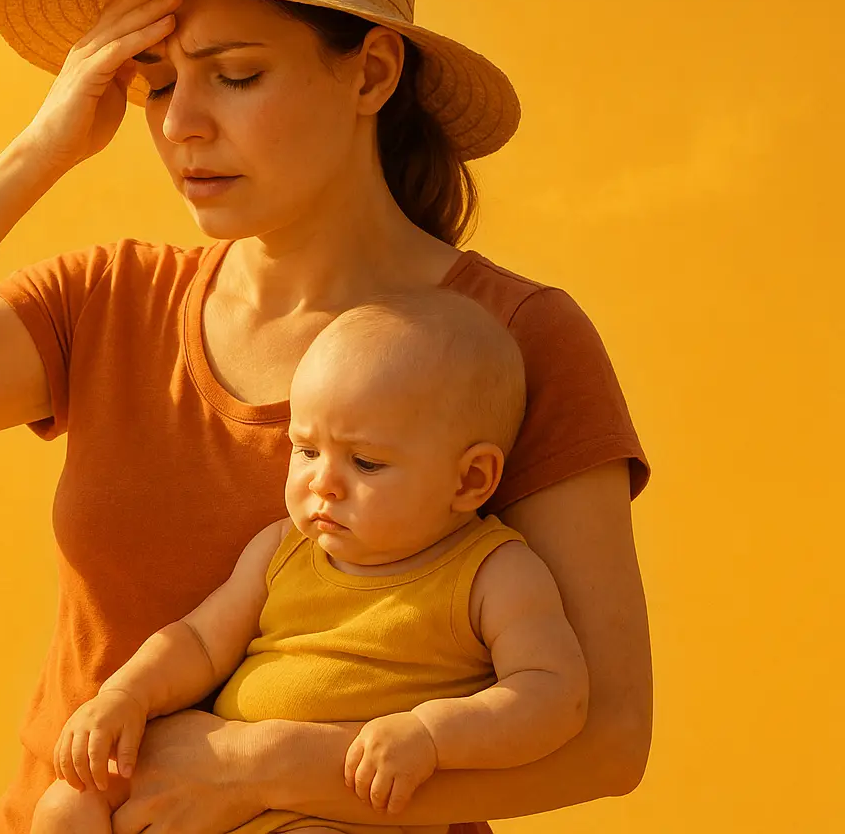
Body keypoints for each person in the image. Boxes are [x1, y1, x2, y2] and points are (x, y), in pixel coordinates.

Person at [0, 0, 651, 834]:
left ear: (370, 72)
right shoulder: (109, 302)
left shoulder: (516, 338)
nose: (181, 123)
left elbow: (608, 737)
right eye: (154, 84)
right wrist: (40, 148)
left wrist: (256, 767)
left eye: (234, 75)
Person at [33, 290, 590, 834]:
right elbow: (198, 642)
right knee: (68, 804)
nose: (323, 483)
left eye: (365, 462)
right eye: (305, 450)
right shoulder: (283, 550)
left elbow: (553, 693)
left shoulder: (492, 574)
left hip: (336, 814)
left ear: (470, 479)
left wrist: (431, 734)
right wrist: (127, 695)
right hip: (202, 788)